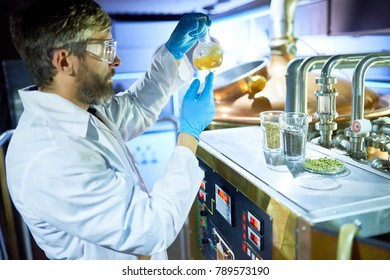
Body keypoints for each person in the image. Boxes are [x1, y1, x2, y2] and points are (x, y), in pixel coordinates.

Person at [6, 0, 215, 260]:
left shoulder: (81, 108)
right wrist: (188, 136)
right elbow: (153, 229)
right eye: (105, 49)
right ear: (64, 61)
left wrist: (171, 54)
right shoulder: (50, 156)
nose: (116, 60)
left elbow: (137, 107)